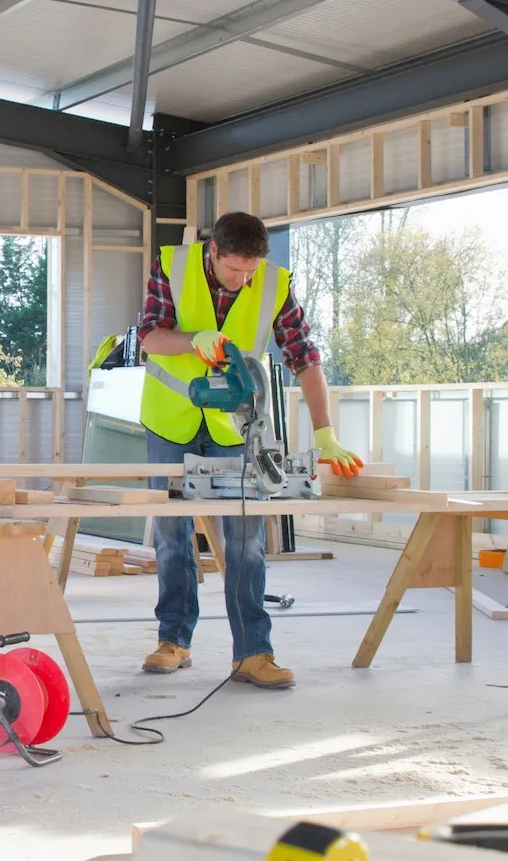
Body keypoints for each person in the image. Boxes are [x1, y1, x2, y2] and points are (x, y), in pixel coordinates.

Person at [139, 211, 363, 689]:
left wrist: (325, 431)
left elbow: (305, 355)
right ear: (213, 251)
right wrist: (193, 340)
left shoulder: (274, 284)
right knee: (171, 536)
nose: (243, 280)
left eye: (251, 271)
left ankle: (253, 653)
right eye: (234, 269)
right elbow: (151, 336)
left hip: (236, 426)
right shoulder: (172, 266)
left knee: (246, 540)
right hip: (169, 420)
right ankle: (173, 640)